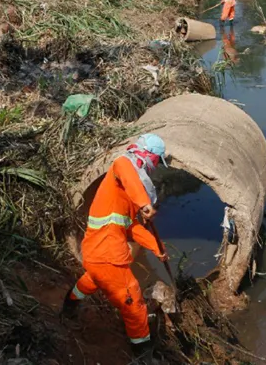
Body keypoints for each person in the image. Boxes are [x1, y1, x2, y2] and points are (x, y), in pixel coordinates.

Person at [61, 134, 169, 362]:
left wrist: (156, 249)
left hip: (96, 255)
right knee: (134, 303)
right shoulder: (122, 166)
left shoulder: (123, 199)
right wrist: (144, 203)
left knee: (93, 280)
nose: (156, 167)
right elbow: (124, 167)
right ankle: (143, 352)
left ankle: (68, 306)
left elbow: (133, 229)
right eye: (157, 161)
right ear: (149, 156)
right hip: (108, 255)